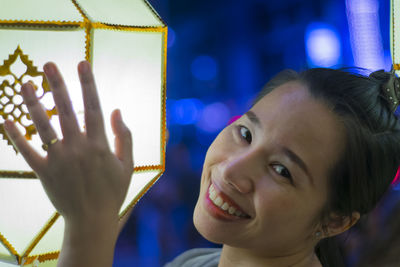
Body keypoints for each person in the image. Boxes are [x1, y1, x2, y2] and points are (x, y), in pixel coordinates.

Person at [3, 61, 400, 267]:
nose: (230, 171)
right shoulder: (196, 262)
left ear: (335, 221)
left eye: (281, 170)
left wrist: (89, 229)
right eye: (245, 134)